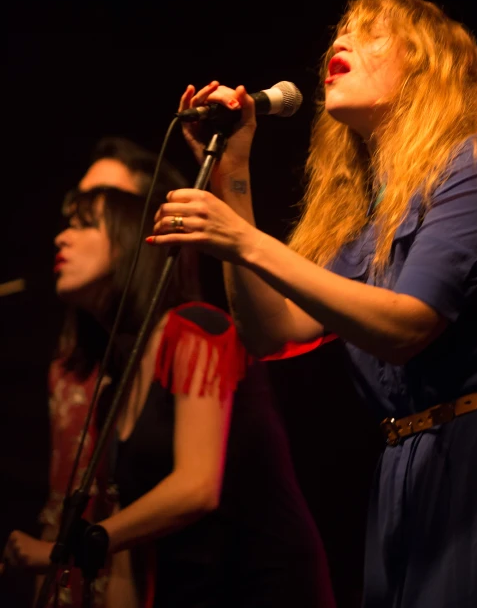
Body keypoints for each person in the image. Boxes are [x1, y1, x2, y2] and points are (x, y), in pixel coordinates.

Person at [149, 0, 477, 607]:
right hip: (408, 466)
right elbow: (274, 331)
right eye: (340, 31)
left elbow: (406, 327)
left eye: (371, 32)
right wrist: (233, 173)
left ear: (427, 66)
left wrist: (244, 240)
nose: (340, 42)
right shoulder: (370, 216)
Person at [3, 138, 336, 608]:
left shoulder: (196, 330)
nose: (61, 236)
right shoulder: (118, 369)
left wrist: (68, 549)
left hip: (256, 585)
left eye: (85, 223)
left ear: (130, 233)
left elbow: (196, 488)